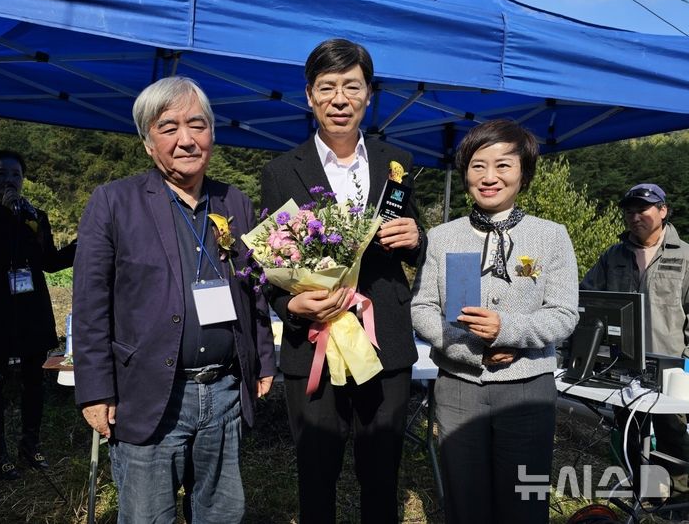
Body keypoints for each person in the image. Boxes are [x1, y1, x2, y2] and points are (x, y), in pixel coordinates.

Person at [72, 76, 276, 523]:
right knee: (147, 516)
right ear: (148, 143)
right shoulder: (114, 202)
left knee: (220, 514)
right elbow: (90, 307)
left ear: (212, 135)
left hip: (223, 391)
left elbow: (254, 288)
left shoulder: (235, 201)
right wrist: (95, 390)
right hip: (147, 392)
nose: (186, 140)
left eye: (197, 125)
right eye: (168, 128)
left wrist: (263, 357)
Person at [261, 38, 426, 524]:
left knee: (381, 476)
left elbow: (412, 239)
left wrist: (416, 236)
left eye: (351, 87)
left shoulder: (396, 161)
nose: (340, 99)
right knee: (316, 475)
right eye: (327, 87)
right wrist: (290, 307)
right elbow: (272, 261)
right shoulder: (279, 171)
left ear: (368, 95)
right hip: (314, 340)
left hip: (384, 342)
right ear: (309, 96)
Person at [411, 119, 579, 524]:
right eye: (477, 165)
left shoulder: (551, 236)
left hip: (528, 390)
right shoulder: (441, 236)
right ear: (464, 171)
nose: (489, 177)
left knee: (525, 500)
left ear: (524, 172)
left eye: (503, 165)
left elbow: (564, 313)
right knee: (464, 500)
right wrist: (466, 347)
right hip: (458, 388)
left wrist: (509, 331)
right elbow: (421, 308)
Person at [0, 149, 76, 480]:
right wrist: (4, 213)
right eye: (2, 173)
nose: (9, 180)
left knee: (34, 381)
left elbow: (50, 262)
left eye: (16, 174)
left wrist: (85, 241)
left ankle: (30, 444)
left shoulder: (35, 216)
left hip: (32, 310)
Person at [581, 183, 689, 498]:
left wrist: (685, 360)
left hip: (670, 368)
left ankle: (681, 501)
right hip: (623, 362)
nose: (635, 216)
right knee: (629, 430)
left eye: (643, 209)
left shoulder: (684, 257)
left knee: (673, 434)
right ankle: (646, 494)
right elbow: (589, 298)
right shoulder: (613, 255)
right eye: (629, 211)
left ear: (663, 211)